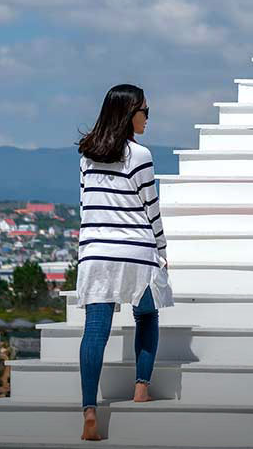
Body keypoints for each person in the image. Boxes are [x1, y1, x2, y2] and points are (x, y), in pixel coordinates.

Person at [75, 83, 174, 441]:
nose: (148, 117)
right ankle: (141, 388)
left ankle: (89, 409)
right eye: (145, 110)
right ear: (129, 112)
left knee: (95, 331)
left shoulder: (87, 155)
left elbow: (86, 207)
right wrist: (163, 250)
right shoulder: (141, 155)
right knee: (147, 315)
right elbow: (152, 208)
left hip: (96, 253)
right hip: (136, 251)